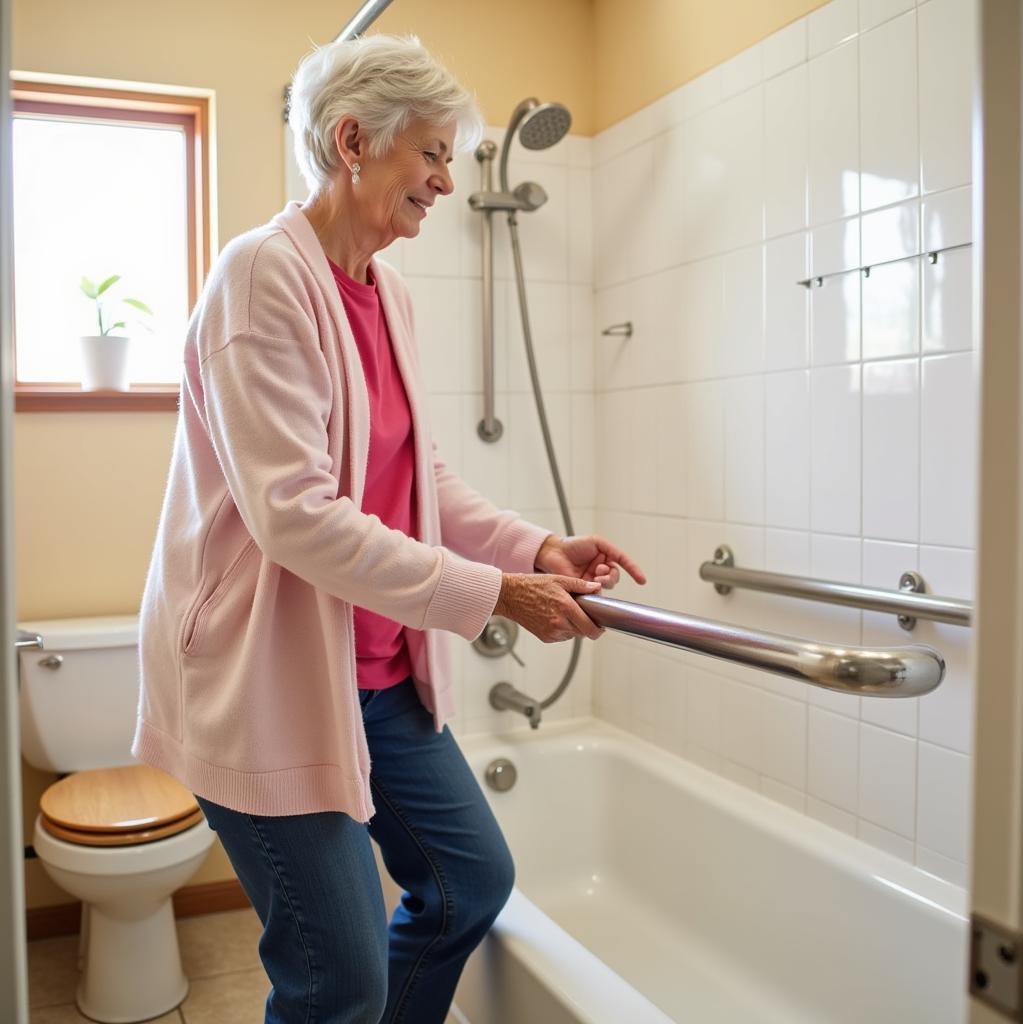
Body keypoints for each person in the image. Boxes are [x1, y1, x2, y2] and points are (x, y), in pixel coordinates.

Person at [132, 32, 645, 1024]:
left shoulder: (390, 293)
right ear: (353, 139)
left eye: (453, 158)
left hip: (382, 675)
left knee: (468, 884)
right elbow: (298, 517)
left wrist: (532, 546)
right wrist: (494, 595)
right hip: (269, 680)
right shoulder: (260, 279)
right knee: (338, 981)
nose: (449, 182)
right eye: (434, 153)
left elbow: (418, 480)